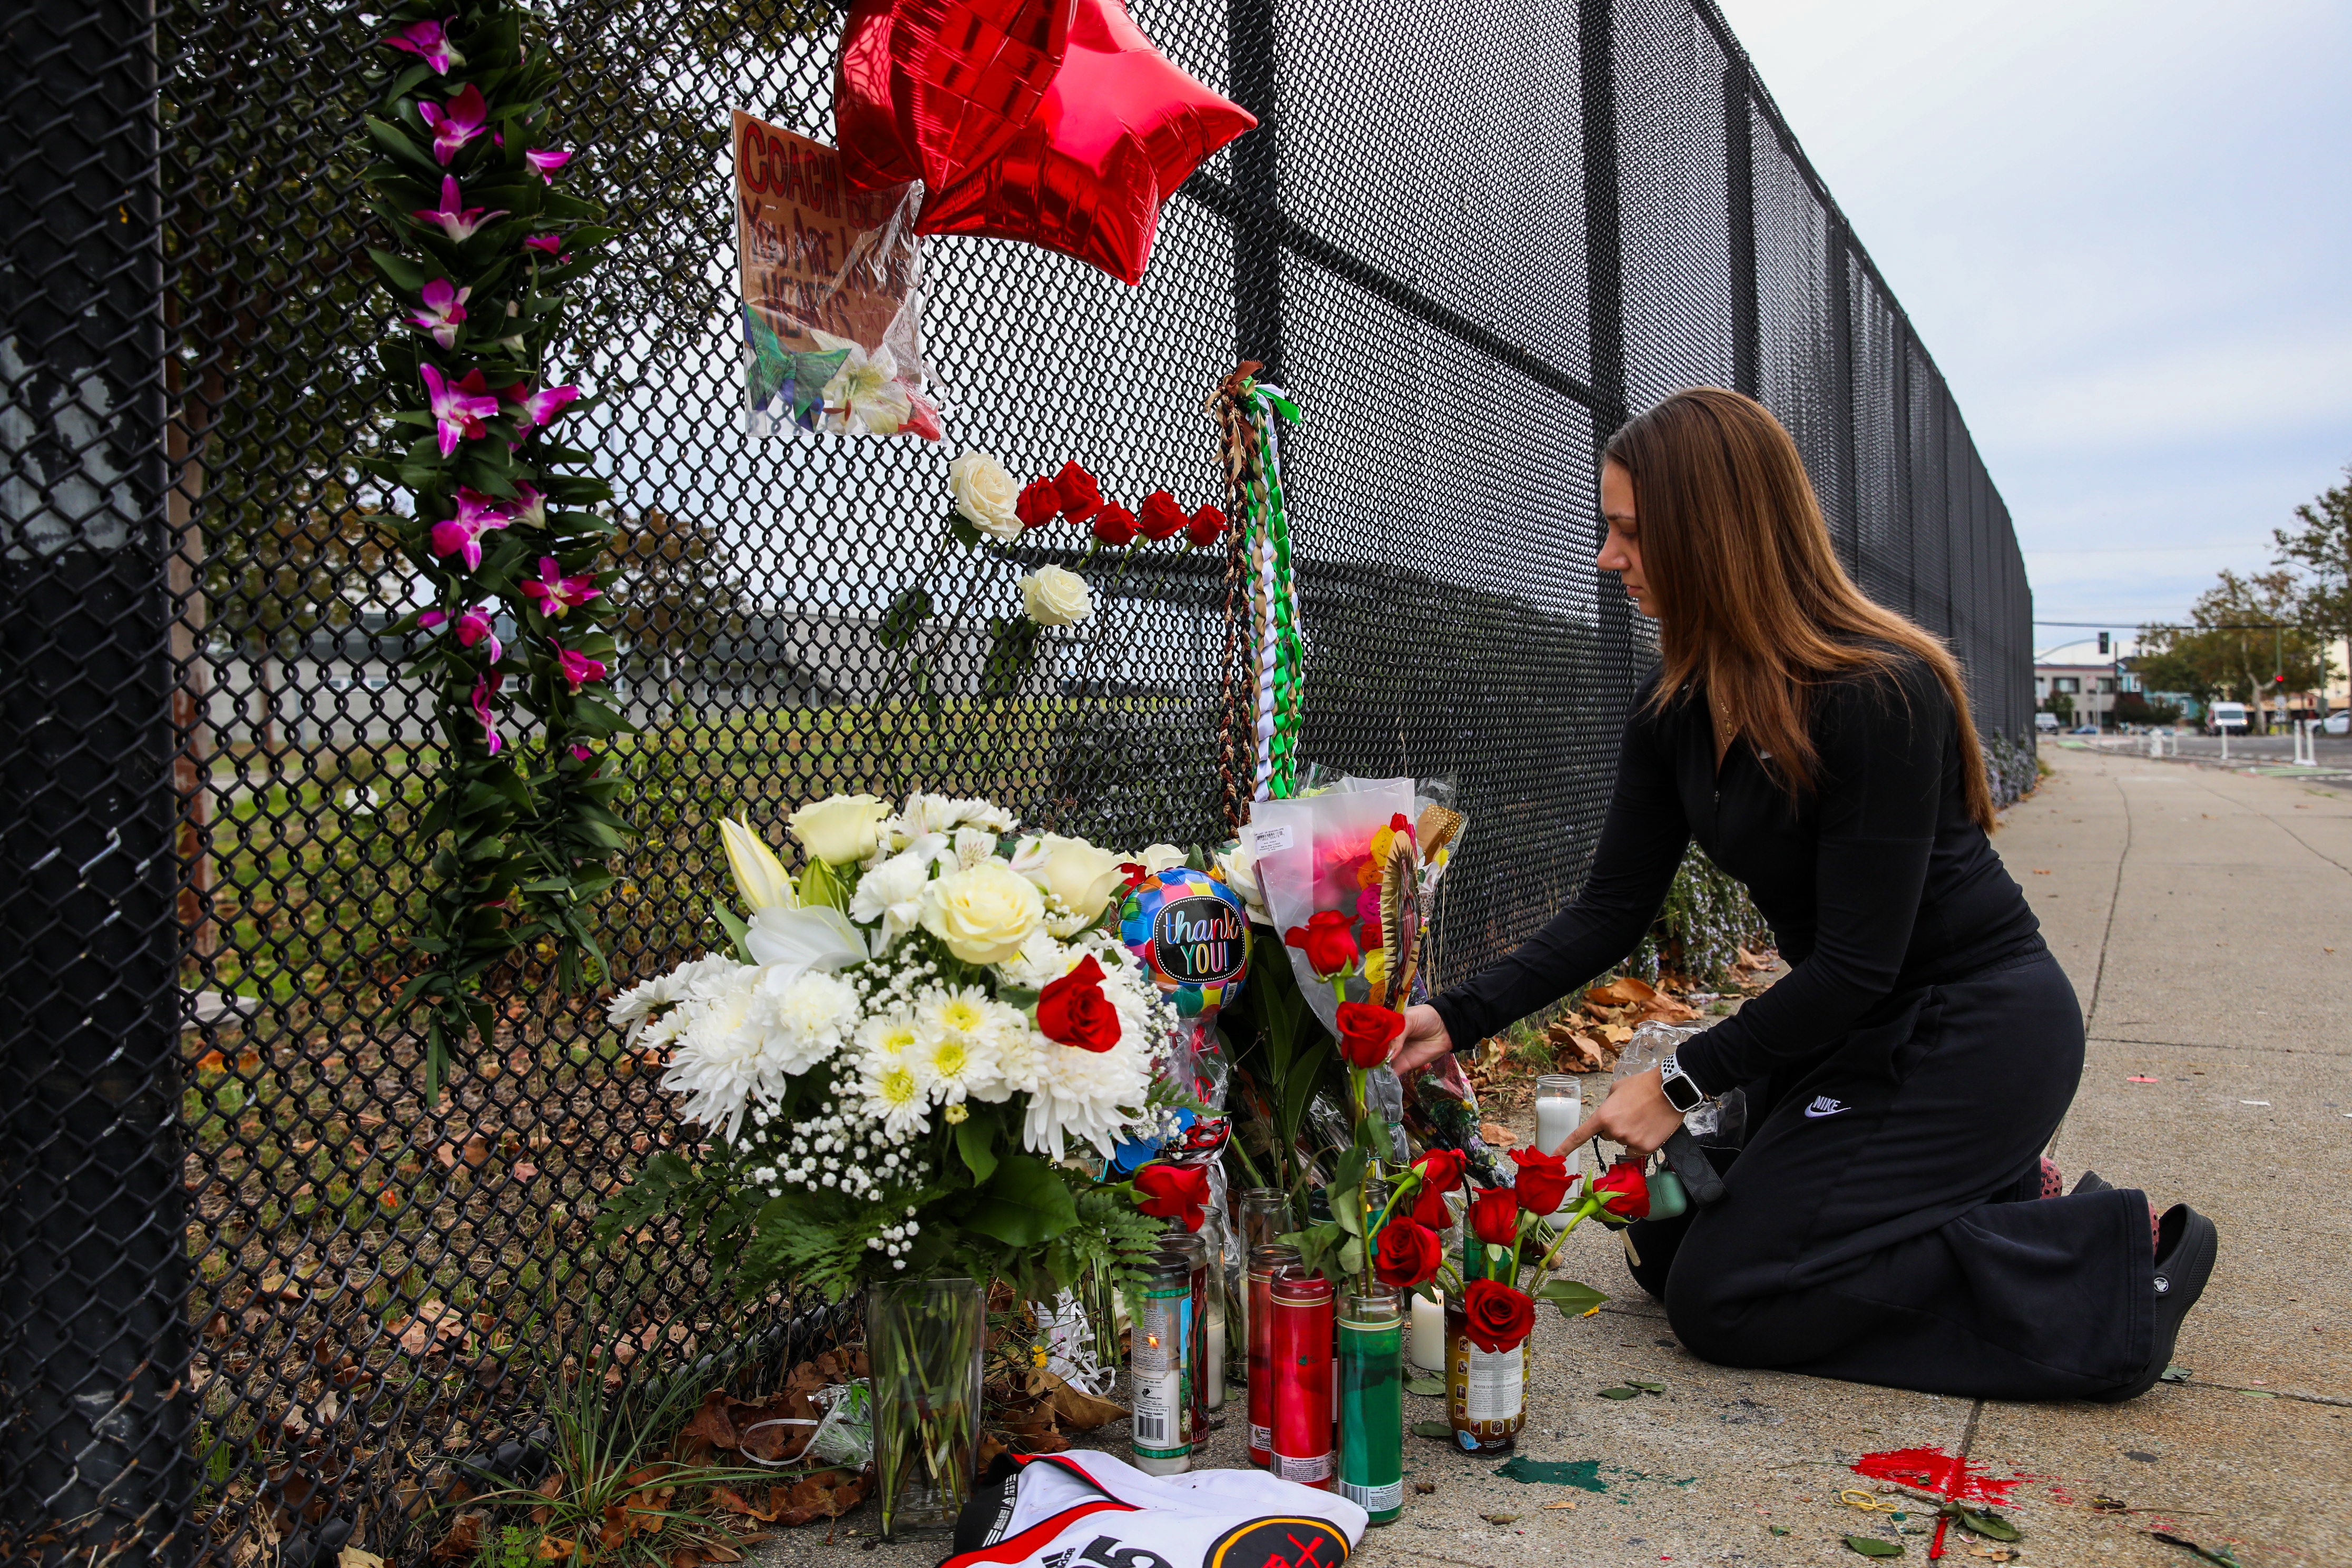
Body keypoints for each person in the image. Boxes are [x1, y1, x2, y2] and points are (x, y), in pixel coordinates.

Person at [1389, 387, 2214, 1403]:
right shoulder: (1673, 713)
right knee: (1668, 1239)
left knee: (1725, 1299)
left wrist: (1679, 1080)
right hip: (1852, 1031)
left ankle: (2107, 1269)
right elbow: (1610, 913)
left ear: (1717, 537)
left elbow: (1861, 964)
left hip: (1975, 1030)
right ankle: (1990, 1196)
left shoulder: (1880, 692)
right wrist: (1454, 1017)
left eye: (1632, 531)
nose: (1610, 559)